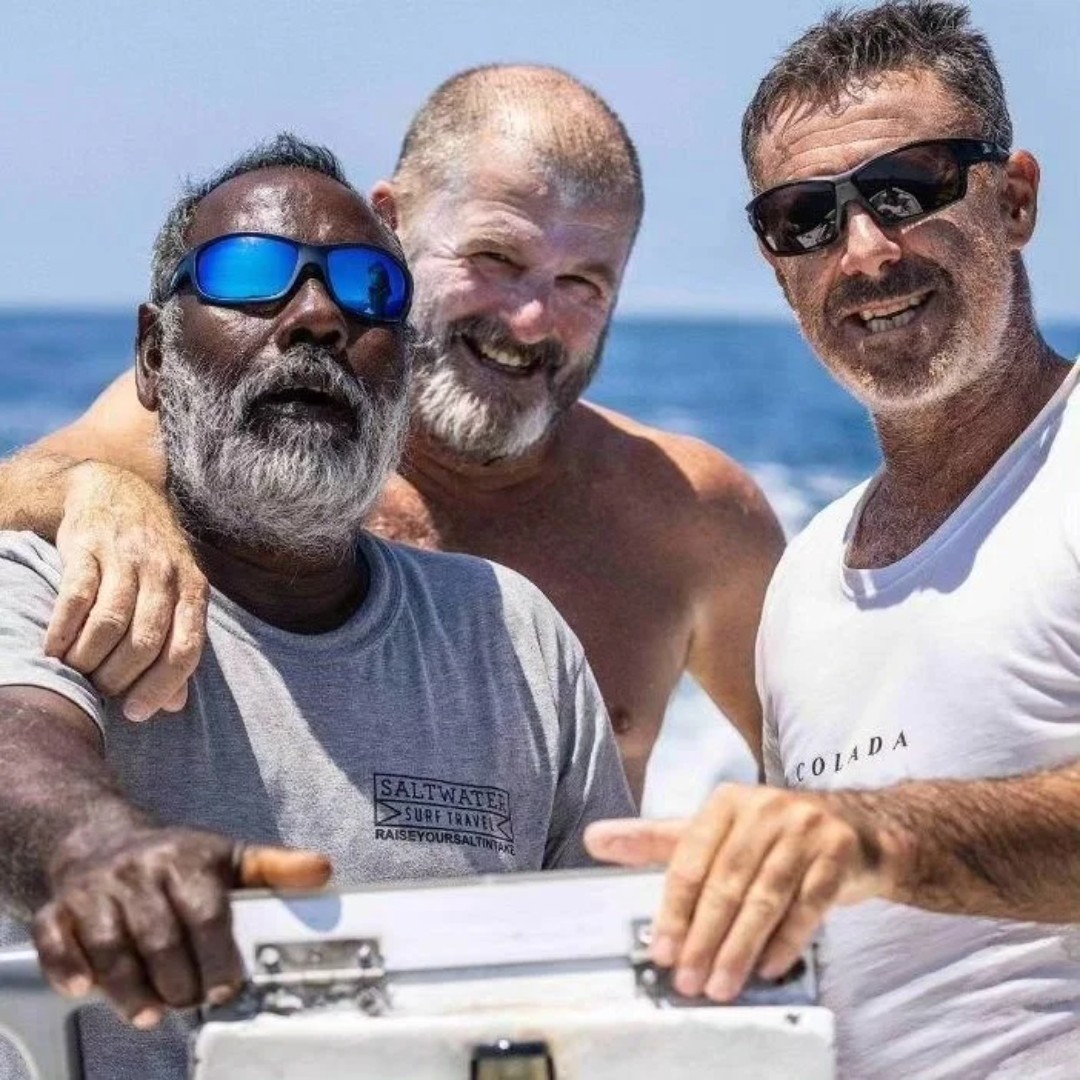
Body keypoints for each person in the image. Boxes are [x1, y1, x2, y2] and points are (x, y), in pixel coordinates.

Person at [0, 136, 633, 1080]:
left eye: (370, 289)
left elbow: (606, 977)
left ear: (405, 372)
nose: (318, 318)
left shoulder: (513, 632)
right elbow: (15, 743)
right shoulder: (55, 580)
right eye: (249, 273)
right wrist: (95, 851)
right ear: (154, 357)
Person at [0, 66, 784, 804]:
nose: (530, 320)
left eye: (582, 283)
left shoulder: (693, 517)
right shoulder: (218, 425)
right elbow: (22, 490)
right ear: (392, 226)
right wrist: (97, 491)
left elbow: (807, 783)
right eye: (495, 258)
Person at [587, 3, 1080, 1077]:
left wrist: (874, 837)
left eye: (906, 188)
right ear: (776, 264)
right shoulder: (804, 578)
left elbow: (855, 847)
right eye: (804, 217)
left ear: (1015, 199)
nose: (863, 252)